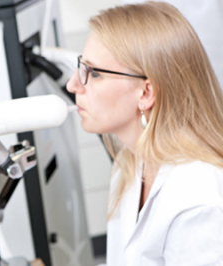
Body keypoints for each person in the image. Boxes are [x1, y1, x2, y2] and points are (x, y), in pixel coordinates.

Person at [66, 1, 223, 265]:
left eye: (93, 74)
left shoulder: (198, 201)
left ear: (146, 92)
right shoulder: (127, 167)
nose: (72, 84)